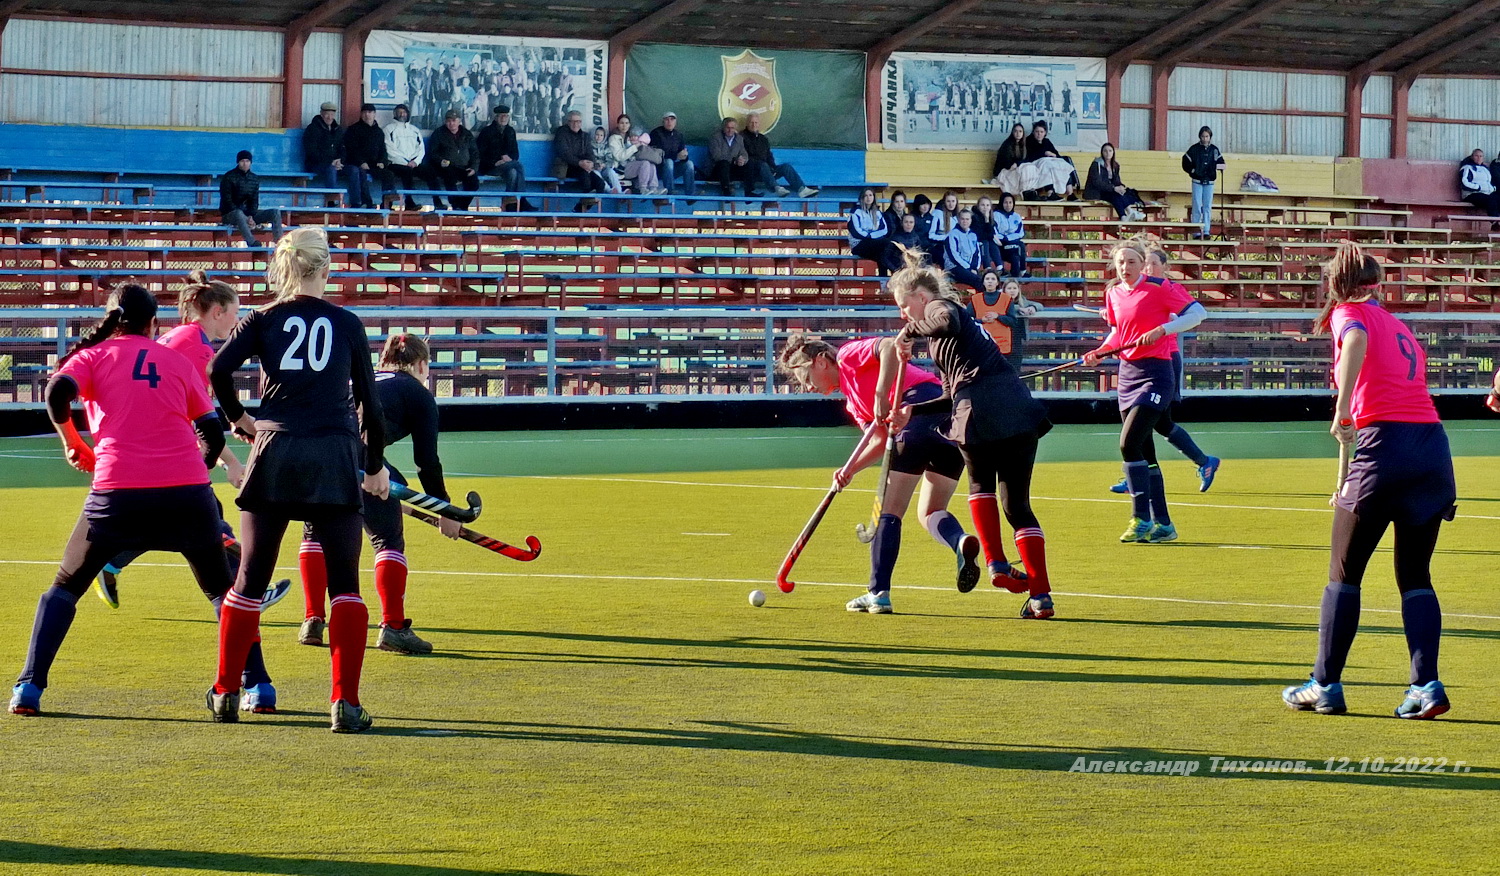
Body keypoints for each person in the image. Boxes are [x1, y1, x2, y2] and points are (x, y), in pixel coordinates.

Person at [8, 285, 255, 717]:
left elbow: (56, 393)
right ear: (153, 323)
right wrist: (196, 473)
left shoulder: (92, 356)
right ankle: (258, 687)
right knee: (224, 593)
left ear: (112, 320)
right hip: (187, 496)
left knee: (64, 588)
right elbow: (212, 434)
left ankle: (29, 688)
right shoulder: (176, 361)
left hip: (116, 494)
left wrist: (72, 443)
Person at [208, 227, 389, 733]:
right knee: (345, 586)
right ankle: (345, 704)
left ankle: (225, 692)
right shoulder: (347, 322)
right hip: (333, 453)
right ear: (325, 268)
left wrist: (240, 418)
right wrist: (375, 465)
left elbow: (217, 370)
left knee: (249, 580)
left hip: (276, 450)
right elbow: (369, 405)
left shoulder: (262, 317)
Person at [1282, 242, 1455, 720]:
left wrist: (1342, 410)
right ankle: (1426, 686)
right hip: (1432, 450)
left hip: (1385, 448)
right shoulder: (1396, 323)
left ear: (1337, 283)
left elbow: (1355, 341)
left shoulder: (1349, 314)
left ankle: (1324, 684)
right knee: (1415, 576)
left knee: (1344, 575)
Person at [91, 272, 292, 633]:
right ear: (217, 312)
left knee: (185, 521)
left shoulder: (183, 338)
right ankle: (243, 596)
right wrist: (232, 462)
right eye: (235, 312)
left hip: (150, 444)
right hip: (161, 449)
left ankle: (112, 562)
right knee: (202, 520)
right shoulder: (197, 349)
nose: (237, 321)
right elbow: (199, 418)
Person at [887, 249, 1055, 618]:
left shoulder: (941, 307)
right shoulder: (942, 336)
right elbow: (949, 394)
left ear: (920, 296)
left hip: (977, 410)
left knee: (980, 486)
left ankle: (995, 563)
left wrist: (910, 331)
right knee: (1018, 507)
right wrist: (912, 411)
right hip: (1016, 407)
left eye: (904, 306)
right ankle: (1041, 596)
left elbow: (944, 320)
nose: (903, 315)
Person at [776, 334, 983, 614]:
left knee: (889, 512)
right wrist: (849, 470)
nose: (807, 386)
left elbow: (888, 347)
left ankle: (878, 593)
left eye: (805, 376)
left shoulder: (848, 356)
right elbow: (878, 439)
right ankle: (959, 541)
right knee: (931, 511)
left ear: (821, 361)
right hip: (951, 429)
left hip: (919, 411)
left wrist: (881, 394)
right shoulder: (852, 403)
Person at [300, 334, 460, 655]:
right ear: (421, 365)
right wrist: (444, 510)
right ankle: (393, 627)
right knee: (386, 538)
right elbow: (426, 463)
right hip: (360, 458)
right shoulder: (417, 393)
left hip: (312, 452)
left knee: (315, 533)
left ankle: (313, 620)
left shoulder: (355, 377)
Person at [1082, 240, 1207, 545]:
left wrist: (1164, 329)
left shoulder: (1160, 287)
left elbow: (1198, 313)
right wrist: (1099, 352)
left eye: (1132, 261)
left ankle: (1140, 518)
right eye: (1120, 262)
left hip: (1156, 374)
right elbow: (1117, 333)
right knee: (1145, 454)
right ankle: (1164, 524)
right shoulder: (1113, 293)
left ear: (1142, 263)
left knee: (1128, 444)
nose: (1125, 267)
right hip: (1127, 376)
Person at [1106, 244, 1221, 495]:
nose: (1147, 268)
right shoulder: (1120, 291)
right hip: (1136, 365)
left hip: (1164, 359)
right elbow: (1120, 328)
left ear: (1164, 267)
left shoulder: (1164, 288)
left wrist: (1163, 325)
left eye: (1152, 264)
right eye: (1145, 263)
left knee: (1152, 423)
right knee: (1158, 423)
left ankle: (1139, 472)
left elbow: (1192, 314)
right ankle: (1198, 463)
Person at [742, 113, 818, 198]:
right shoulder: (741, 137)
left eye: (756, 122)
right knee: (762, 164)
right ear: (747, 123)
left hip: (767, 171)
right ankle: (776, 188)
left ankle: (802, 190)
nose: (754, 125)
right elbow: (746, 157)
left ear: (759, 124)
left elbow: (769, 155)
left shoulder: (763, 139)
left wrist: (773, 167)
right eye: (751, 122)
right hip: (752, 172)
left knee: (786, 167)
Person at [970, 273, 1037, 368]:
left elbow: (1012, 320)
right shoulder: (975, 299)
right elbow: (968, 320)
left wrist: (998, 316)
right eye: (987, 279)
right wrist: (982, 320)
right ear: (983, 282)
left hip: (1004, 345)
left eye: (993, 279)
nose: (990, 281)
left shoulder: (1007, 299)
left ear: (997, 282)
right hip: (983, 344)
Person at [219, 150, 282, 248]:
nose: (245, 164)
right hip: (230, 214)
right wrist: (246, 218)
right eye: (242, 161)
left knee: (275, 212)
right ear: (238, 162)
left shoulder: (254, 179)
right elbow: (227, 201)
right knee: (238, 213)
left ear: (251, 162)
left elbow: (254, 201)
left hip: (248, 215)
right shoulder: (228, 177)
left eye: (247, 161)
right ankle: (251, 242)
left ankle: (280, 243)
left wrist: (251, 216)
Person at [477, 105, 534, 210]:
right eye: (501, 116)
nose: (504, 118)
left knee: (513, 172)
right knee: (518, 166)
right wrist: (495, 162)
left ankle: (509, 203)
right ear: (496, 117)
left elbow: (515, 154)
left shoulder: (510, 131)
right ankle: (522, 200)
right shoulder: (486, 132)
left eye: (506, 116)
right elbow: (480, 154)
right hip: (491, 167)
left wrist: (509, 159)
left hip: (508, 165)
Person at [428, 109, 480, 211]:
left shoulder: (467, 134)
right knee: (449, 177)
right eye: (448, 121)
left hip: (464, 167)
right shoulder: (438, 133)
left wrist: (474, 168)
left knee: (474, 183)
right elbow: (433, 153)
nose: (451, 123)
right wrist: (440, 161)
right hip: (446, 167)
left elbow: (475, 153)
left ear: (459, 121)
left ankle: (462, 205)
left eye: (454, 120)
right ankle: (455, 205)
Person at [343, 103, 390, 210]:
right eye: (364, 112)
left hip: (374, 164)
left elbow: (383, 149)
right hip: (358, 163)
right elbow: (351, 149)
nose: (367, 115)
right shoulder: (353, 129)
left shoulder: (379, 132)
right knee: (361, 173)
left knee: (388, 175)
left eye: (369, 112)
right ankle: (367, 202)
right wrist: (361, 162)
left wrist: (382, 162)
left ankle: (387, 204)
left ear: (374, 114)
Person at [1181, 126, 1225, 239]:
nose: (1205, 139)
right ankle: (1196, 231)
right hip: (1197, 181)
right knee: (1196, 205)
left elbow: (1221, 161)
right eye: (1203, 136)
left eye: (1207, 136)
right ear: (1200, 137)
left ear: (1210, 137)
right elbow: (1185, 161)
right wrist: (1192, 171)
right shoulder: (1194, 149)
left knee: (1207, 206)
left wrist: (1221, 167)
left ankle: (1206, 231)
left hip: (1209, 181)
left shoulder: (1214, 150)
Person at [384, 104, 428, 212]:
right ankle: (409, 202)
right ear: (394, 114)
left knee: (431, 173)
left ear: (407, 114)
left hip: (414, 163)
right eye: (399, 112)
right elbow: (389, 149)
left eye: (403, 112)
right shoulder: (388, 129)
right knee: (406, 171)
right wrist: (405, 162)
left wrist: (415, 161)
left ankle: (438, 202)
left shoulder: (415, 130)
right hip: (396, 163)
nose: (401, 114)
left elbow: (421, 149)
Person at [1085, 143, 1146, 221]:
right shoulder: (1096, 164)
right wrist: (1114, 188)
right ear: (1102, 152)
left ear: (1113, 152)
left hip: (1109, 191)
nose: (1108, 153)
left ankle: (1124, 216)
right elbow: (1097, 183)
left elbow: (1116, 181)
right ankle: (1128, 212)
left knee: (1124, 193)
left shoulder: (1115, 165)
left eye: (1110, 151)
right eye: (1105, 151)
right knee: (1115, 194)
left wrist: (1121, 187)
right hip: (1097, 192)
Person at [607, 116, 664, 195]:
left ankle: (653, 188)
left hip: (631, 165)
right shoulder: (613, 138)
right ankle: (643, 189)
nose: (624, 125)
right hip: (620, 169)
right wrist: (635, 147)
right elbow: (619, 157)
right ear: (618, 124)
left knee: (651, 164)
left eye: (626, 123)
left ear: (629, 125)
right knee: (645, 164)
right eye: (622, 123)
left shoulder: (630, 137)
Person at [1023, 121, 1078, 200]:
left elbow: (1056, 154)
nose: (1039, 134)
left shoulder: (1046, 141)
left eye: (1041, 132)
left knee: (1063, 164)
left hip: (1050, 163)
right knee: (1047, 165)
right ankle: (1050, 193)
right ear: (1033, 132)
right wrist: (1044, 153)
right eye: (1037, 131)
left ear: (1045, 133)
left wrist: (1053, 155)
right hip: (1035, 165)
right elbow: (1030, 156)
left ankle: (1070, 193)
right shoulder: (1029, 141)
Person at [847, 187, 898, 273]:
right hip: (859, 244)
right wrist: (870, 235)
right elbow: (856, 232)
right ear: (862, 198)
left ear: (874, 197)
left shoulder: (877, 212)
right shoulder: (855, 212)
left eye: (870, 195)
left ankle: (884, 279)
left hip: (874, 243)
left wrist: (872, 235)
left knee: (882, 255)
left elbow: (884, 230)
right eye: (865, 196)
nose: (868, 198)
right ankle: (895, 271)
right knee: (886, 245)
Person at [302, 102, 344, 206]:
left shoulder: (338, 129)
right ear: (321, 114)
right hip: (315, 164)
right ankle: (331, 201)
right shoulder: (312, 129)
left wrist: (340, 160)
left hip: (335, 164)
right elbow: (311, 152)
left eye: (332, 114)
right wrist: (330, 162)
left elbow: (343, 148)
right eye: (327, 114)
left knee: (354, 170)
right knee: (331, 169)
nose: (329, 117)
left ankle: (358, 203)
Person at [707, 117, 759, 197]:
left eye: (732, 128)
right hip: (717, 171)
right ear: (723, 128)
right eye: (728, 128)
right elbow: (717, 156)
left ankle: (749, 192)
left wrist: (742, 160)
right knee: (724, 163)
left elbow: (744, 154)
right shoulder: (715, 138)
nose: (730, 130)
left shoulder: (739, 138)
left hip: (732, 171)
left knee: (749, 163)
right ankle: (726, 193)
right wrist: (735, 161)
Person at [649, 112, 696, 196]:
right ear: (663, 122)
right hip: (658, 169)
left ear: (675, 122)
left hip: (671, 170)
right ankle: (670, 193)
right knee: (669, 162)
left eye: (672, 119)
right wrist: (676, 156)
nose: (669, 122)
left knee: (689, 164)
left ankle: (690, 195)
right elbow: (657, 155)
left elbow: (682, 154)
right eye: (667, 120)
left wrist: (684, 156)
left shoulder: (678, 135)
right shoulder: (656, 133)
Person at [943, 208, 984, 291]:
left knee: (986, 279)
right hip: (954, 267)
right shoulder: (952, 235)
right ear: (958, 220)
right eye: (962, 219)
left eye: (967, 219)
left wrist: (974, 268)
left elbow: (977, 253)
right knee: (977, 280)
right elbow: (953, 256)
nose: (965, 221)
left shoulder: (973, 235)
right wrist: (968, 268)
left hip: (970, 268)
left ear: (971, 220)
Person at [1458, 148, 1500, 218]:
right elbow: (1464, 183)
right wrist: (1479, 187)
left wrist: (1493, 188)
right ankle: (1495, 221)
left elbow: (1490, 182)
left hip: (1486, 193)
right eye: (1476, 156)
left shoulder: (1485, 169)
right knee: (1491, 200)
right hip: (1471, 194)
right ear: (1472, 157)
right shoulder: (1467, 168)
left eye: (1481, 156)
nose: (1479, 158)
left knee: (1497, 198)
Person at [994, 193, 1027, 278]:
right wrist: (1004, 238)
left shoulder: (1017, 216)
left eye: (1010, 202)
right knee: (1020, 246)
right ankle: (1022, 271)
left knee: (1016, 255)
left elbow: (1020, 233)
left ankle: (1017, 275)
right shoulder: (996, 215)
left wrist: (1009, 238)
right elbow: (995, 232)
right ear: (1001, 203)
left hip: (1013, 243)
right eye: (1005, 202)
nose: (1008, 205)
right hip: (1000, 244)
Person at [970, 196, 1000, 270]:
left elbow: (991, 232)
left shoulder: (990, 218)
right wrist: (991, 236)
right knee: (985, 242)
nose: (985, 208)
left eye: (987, 205)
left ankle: (1000, 266)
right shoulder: (974, 218)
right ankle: (987, 267)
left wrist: (987, 220)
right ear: (978, 206)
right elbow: (979, 234)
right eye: (982, 205)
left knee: (992, 243)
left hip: (986, 241)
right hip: (976, 241)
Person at [591, 126, 622, 194]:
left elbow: (610, 160)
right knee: (596, 174)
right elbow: (589, 158)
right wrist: (596, 165)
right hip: (594, 169)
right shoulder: (589, 146)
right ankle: (609, 190)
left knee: (611, 172)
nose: (599, 137)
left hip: (604, 169)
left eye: (601, 135)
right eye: (597, 135)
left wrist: (604, 165)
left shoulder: (606, 147)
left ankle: (619, 192)